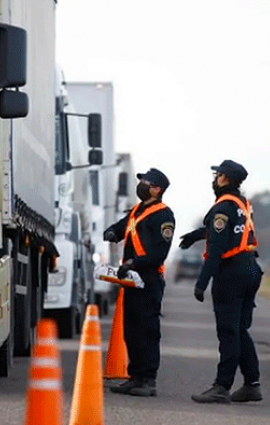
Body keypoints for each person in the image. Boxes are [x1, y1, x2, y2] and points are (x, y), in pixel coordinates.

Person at [180, 159, 263, 404]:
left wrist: (201, 283)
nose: (214, 179)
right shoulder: (242, 204)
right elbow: (228, 231)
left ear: (224, 178)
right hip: (251, 267)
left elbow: (216, 250)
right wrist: (197, 235)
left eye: (217, 175)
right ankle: (252, 384)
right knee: (240, 329)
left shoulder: (222, 208)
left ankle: (221, 386)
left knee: (228, 332)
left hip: (232, 272)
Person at [103, 168, 176, 397]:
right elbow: (123, 226)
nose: (141, 185)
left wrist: (134, 263)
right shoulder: (137, 211)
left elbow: (159, 253)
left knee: (147, 330)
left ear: (157, 189)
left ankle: (148, 379)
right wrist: (113, 232)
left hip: (149, 279)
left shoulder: (164, 216)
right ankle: (135, 376)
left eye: (145, 182)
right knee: (131, 330)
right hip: (132, 280)